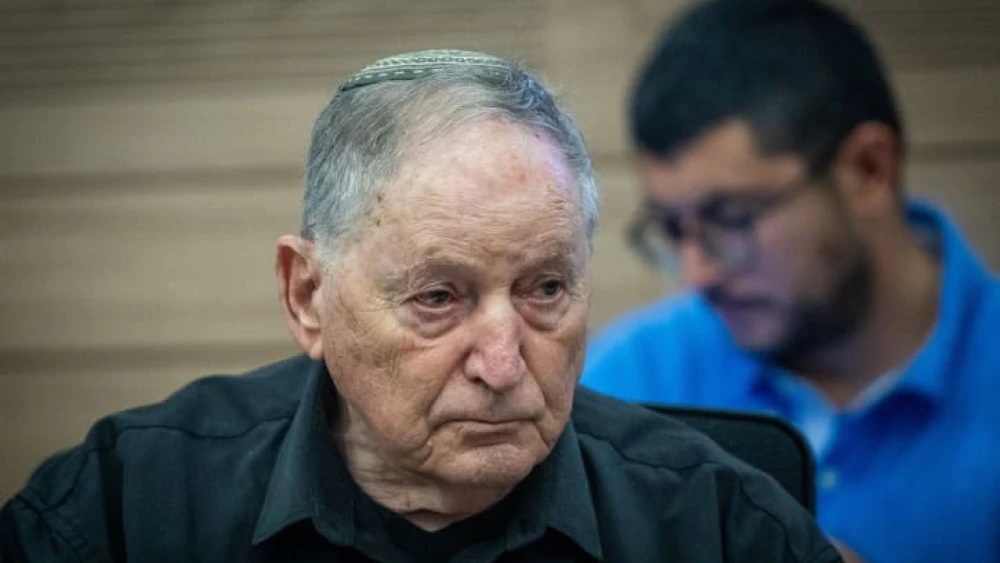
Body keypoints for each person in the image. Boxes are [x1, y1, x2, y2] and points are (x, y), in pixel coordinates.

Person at [0, 50, 841, 562]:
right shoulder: (125, 506)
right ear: (307, 295)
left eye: (546, 289)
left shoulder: (722, 527)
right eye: (438, 297)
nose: (504, 364)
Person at [581, 1, 1000, 562]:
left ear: (868, 169)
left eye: (732, 217)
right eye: (674, 228)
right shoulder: (628, 379)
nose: (696, 273)